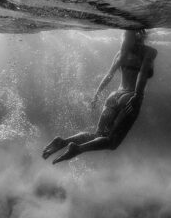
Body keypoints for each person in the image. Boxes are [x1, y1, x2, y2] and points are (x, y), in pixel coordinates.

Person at [43, 29, 157, 164]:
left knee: (98, 135)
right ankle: (77, 149)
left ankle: (63, 142)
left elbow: (109, 75)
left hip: (114, 96)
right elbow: (142, 74)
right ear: (141, 34)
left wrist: (97, 94)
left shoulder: (121, 53)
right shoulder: (149, 52)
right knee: (112, 142)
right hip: (131, 97)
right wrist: (137, 96)